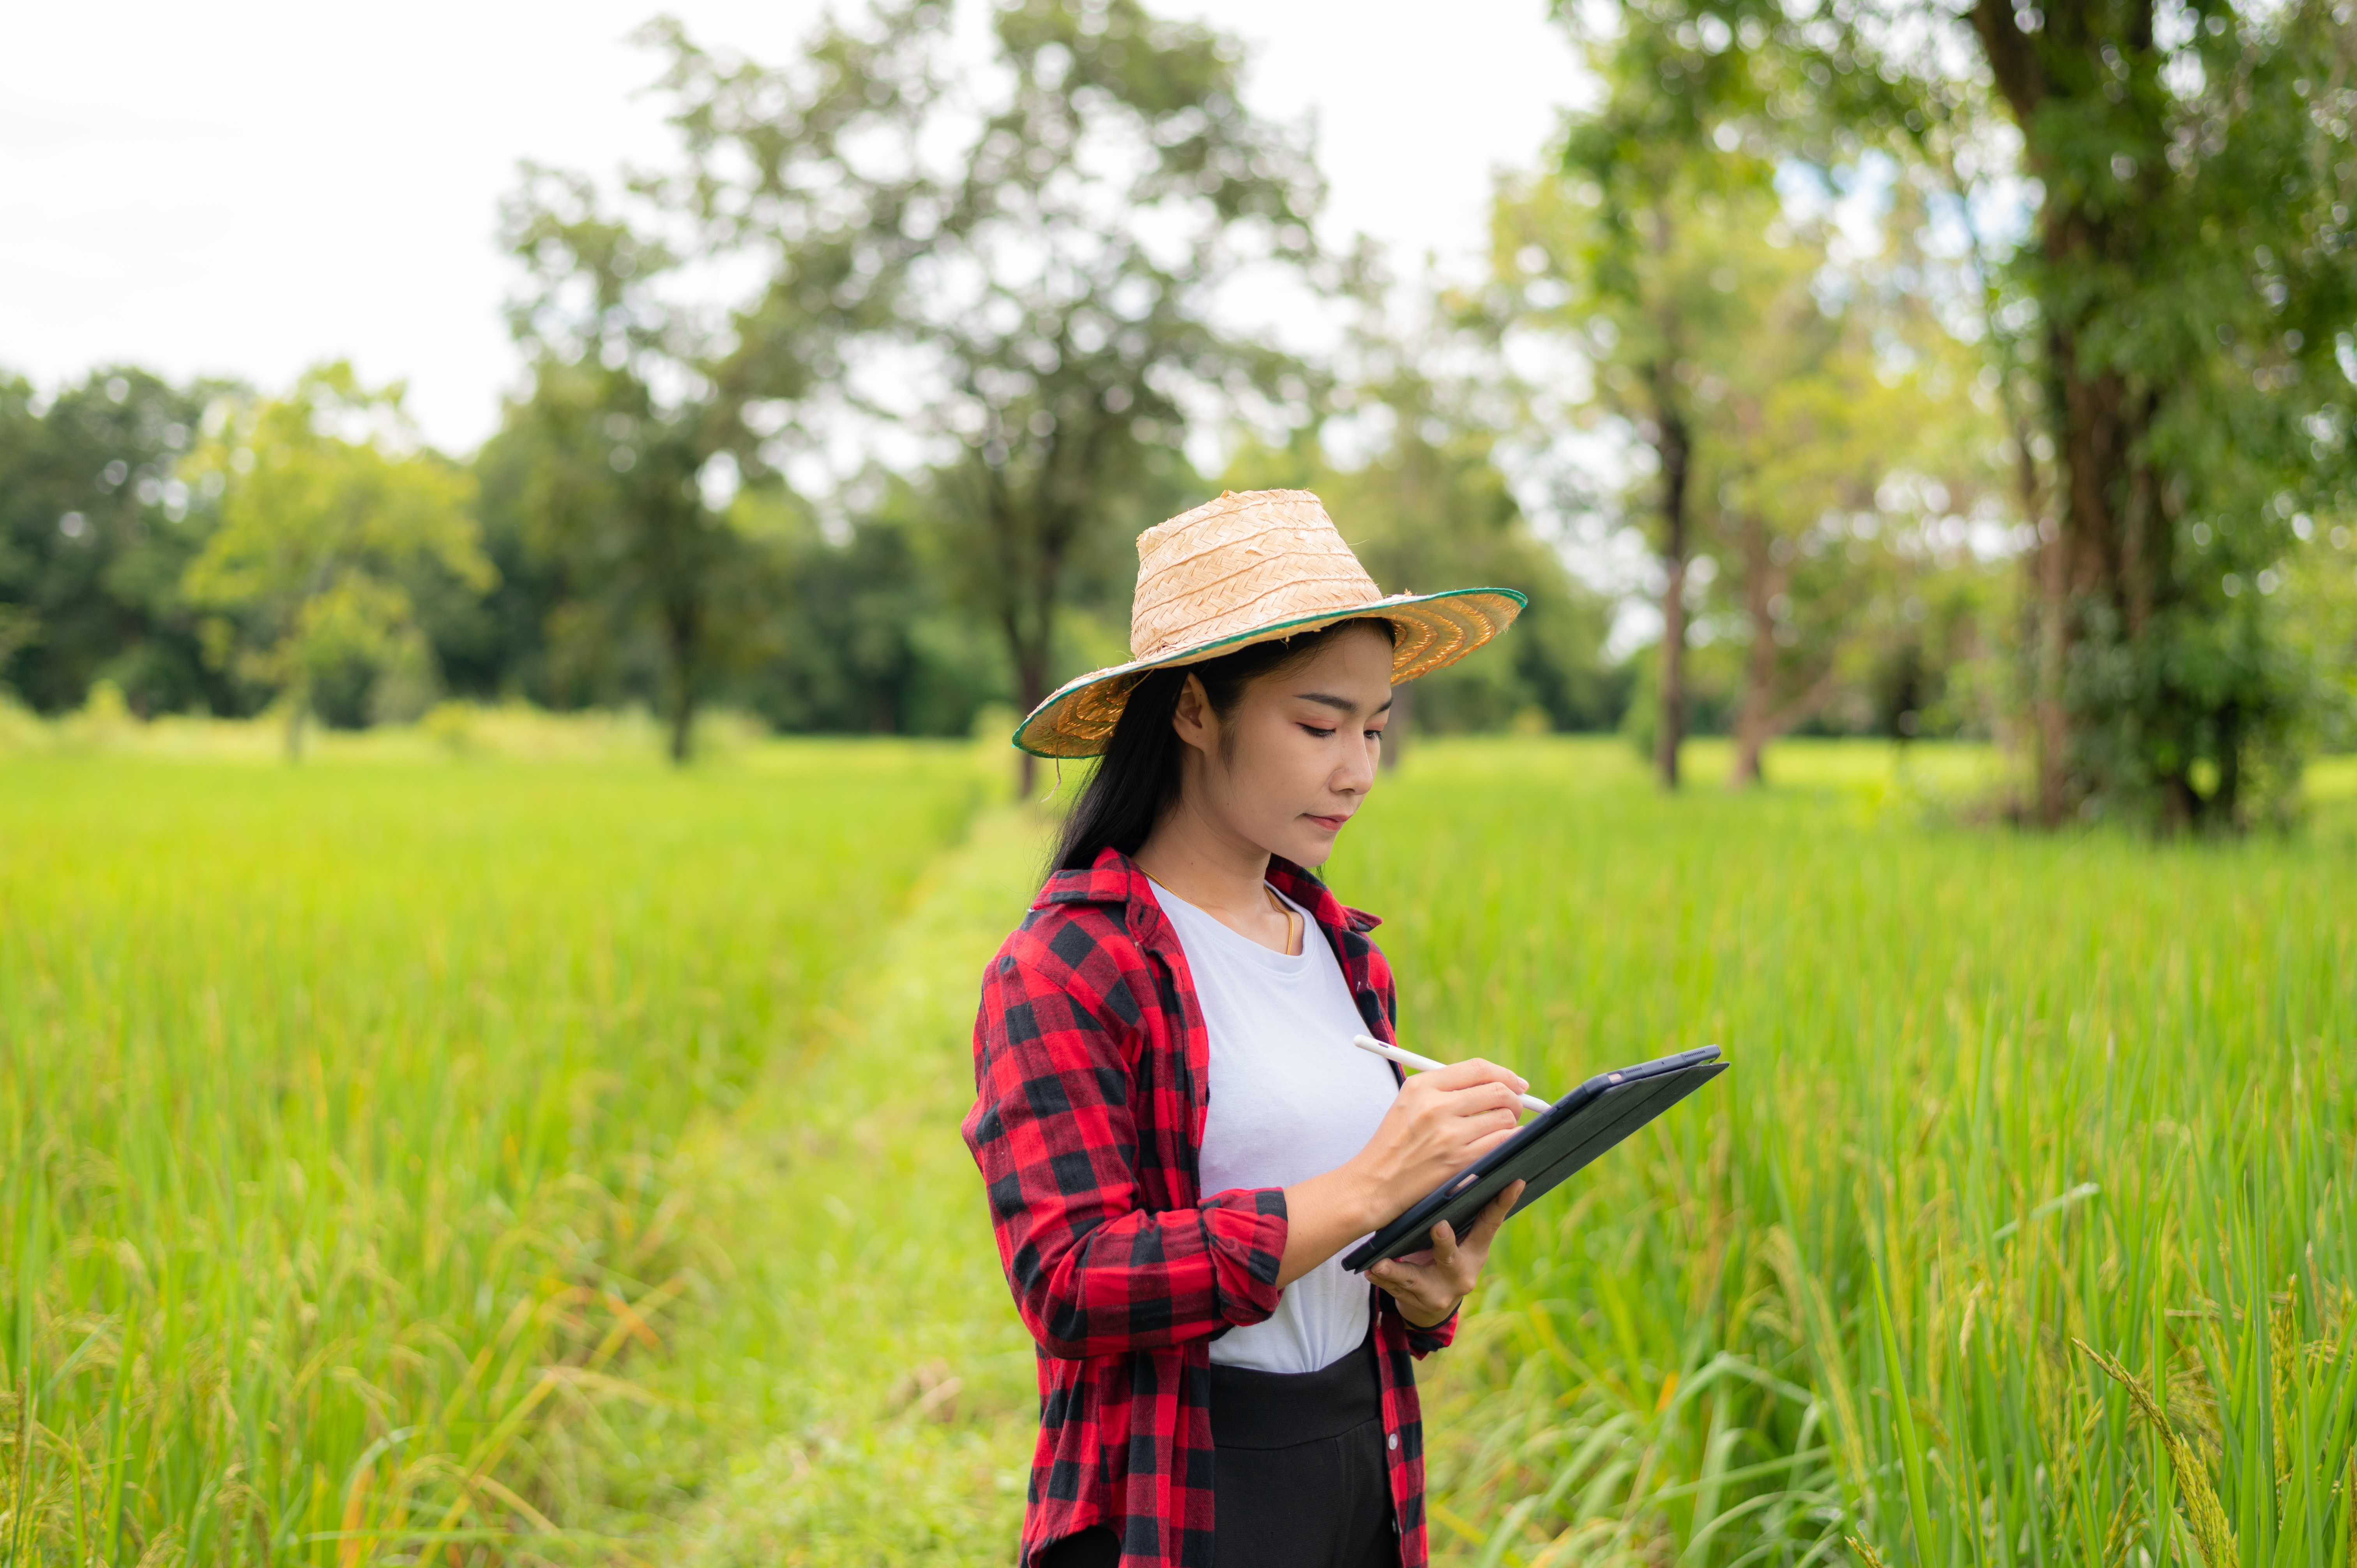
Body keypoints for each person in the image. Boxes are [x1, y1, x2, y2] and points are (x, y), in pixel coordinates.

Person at [961, 490, 1537, 1568]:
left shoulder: (1345, 956)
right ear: (1192, 712)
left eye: (1373, 729)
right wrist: (1366, 1186)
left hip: (1366, 1472)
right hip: (1181, 1489)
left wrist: (1429, 1281)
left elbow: (1344, 1264)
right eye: (1319, 725)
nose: (1356, 769)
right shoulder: (1069, 969)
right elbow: (1072, 1280)